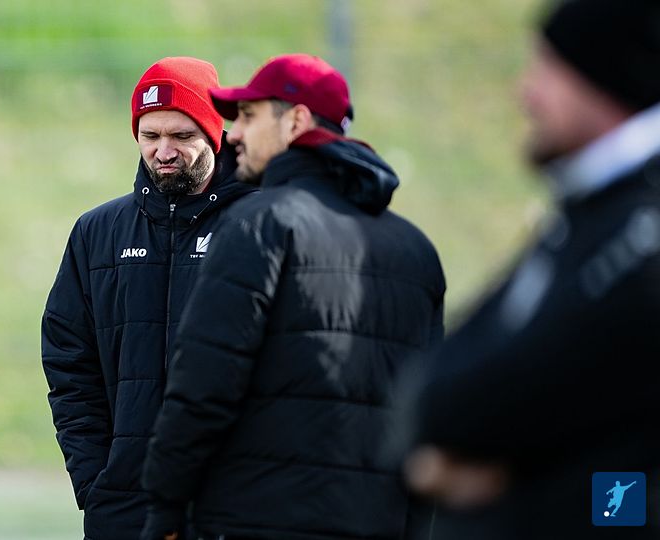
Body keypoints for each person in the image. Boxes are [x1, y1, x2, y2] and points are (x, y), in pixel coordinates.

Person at [141, 54, 446, 540]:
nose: (234, 134)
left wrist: (164, 507)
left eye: (248, 116)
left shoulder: (258, 225)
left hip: (255, 519)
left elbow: (204, 386)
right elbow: (427, 416)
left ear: (296, 122)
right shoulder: (416, 249)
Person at [394, 0, 660, 538]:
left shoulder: (638, 235)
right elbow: (433, 395)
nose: (526, 92)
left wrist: (518, 490)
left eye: (549, 69)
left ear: (604, 76)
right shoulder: (586, 212)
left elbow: (628, 492)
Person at [41, 57, 255, 540]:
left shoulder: (260, 223)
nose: (163, 151)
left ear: (214, 133)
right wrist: (96, 479)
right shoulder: (97, 232)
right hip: (124, 508)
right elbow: (69, 363)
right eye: (150, 135)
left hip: (232, 509)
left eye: (182, 136)